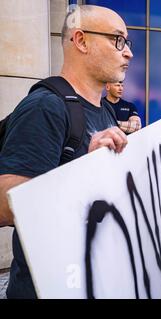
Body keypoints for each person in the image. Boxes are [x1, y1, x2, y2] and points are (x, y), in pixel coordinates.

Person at [0, 5, 132, 298]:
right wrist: (84, 167)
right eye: (118, 40)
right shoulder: (45, 107)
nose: (128, 53)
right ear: (81, 41)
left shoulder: (105, 111)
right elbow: (6, 204)